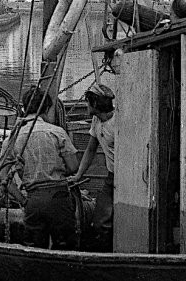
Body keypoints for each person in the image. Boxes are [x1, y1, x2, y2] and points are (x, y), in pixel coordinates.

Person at [1, 86, 80, 250]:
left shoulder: (13, 138)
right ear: (46, 108)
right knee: (65, 248)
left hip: (33, 200)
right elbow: (73, 167)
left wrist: (22, 200)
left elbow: (2, 177)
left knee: (34, 248)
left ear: (25, 108)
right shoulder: (57, 132)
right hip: (59, 197)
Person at [72, 83, 116, 251]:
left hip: (125, 178)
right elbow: (91, 149)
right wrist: (78, 175)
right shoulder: (96, 120)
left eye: (88, 102)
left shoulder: (117, 122)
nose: (86, 105)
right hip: (111, 177)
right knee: (99, 221)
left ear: (95, 104)